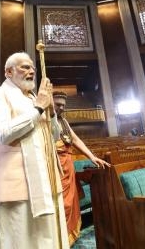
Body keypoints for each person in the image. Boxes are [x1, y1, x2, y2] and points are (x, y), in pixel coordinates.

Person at [0, 52, 69, 249]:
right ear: (8, 72)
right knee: (22, 242)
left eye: (32, 68)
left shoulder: (33, 98)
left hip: (46, 181)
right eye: (24, 67)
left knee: (48, 241)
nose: (31, 71)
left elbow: (54, 137)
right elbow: (3, 133)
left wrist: (51, 112)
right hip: (17, 186)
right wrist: (38, 108)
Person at [53, 91, 111, 245]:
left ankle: (68, 239)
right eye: (57, 104)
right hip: (54, 167)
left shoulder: (63, 121)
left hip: (67, 166)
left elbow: (75, 139)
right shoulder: (44, 121)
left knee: (70, 203)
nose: (61, 108)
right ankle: (59, 240)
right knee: (60, 205)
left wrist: (92, 157)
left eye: (63, 105)